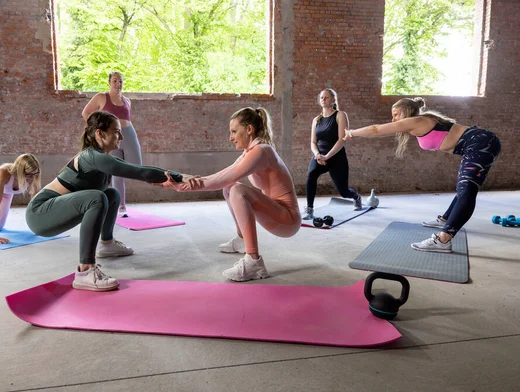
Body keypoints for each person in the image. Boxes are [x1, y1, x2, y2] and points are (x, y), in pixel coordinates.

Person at [26, 111, 191, 292]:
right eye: (116, 131)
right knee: (96, 198)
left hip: (50, 211)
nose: (120, 136)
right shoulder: (93, 157)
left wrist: (163, 179)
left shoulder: (102, 158)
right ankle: (85, 271)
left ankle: (107, 244)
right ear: (100, 133)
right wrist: (182, 177)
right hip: (40, 214)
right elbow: (140, 171)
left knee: (111, 194)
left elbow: (142, 173)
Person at [160, 107, 301, 282]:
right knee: (230, 187)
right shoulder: (250, 151)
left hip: (288, 219)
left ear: (249, 129)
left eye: (234, 131)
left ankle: (253, 262)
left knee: (237, 190)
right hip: (276, 215)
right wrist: (185, 181)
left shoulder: (261, 151)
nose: (230, 137)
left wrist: (183, 187)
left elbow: (223, 179)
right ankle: (242, 240)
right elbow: (223, 176)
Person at [343, 97, 501, 253]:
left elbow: (376, 129)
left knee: (467, 190)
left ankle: (443, 240)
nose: (393, 119)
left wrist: (351, 132)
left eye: (396, 114)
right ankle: (445, 220)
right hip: (478, 143)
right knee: (464, 188)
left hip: (480, 142)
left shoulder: (417, 120)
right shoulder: (417, 123)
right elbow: (383, 132)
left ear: (406, 112)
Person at [82, 71, 142, 217]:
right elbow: (86, 113)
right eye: (115, 81)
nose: (118, 84)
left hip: (128, 132)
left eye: (120, 81)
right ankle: (121, 206)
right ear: (109, 82)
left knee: (137, 164)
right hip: (110, 135)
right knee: (116, 171)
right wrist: (98, 131)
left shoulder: (127, 100)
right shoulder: (101, 97)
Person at [303, 89, 361, 219]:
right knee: (311, 174)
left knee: (344, 192)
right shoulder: (316, 120)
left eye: (326, 97)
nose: (323, 99)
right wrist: (317, 154)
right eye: (321, 97)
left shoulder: (340, 115)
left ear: (334, 100)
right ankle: (309, 209)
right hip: (319, 157)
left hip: (336, 158)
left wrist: (327, 156)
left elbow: (341, 140)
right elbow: (313, 142)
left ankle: (356, 196)